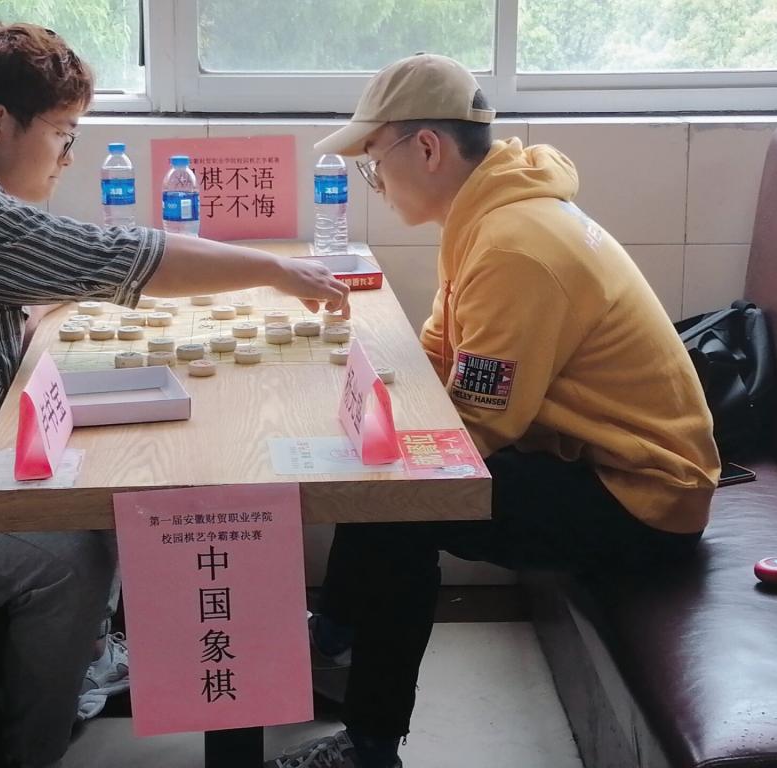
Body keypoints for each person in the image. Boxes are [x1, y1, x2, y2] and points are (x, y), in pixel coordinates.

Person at [0, 22, 349, 768]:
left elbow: (55, 266)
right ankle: (32, 750)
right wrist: (277, 271)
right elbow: (116, 254)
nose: (69, 155)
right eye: (61, 133)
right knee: (70, 561)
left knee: (110, 490)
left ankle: (87, 661)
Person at [267, 54, 720, 768]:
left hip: (641, 497)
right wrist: (356, 408)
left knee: (400, 503)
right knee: (379, 470)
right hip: (592, 463)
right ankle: (334, 636)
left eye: (374, 163)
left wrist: (366, 442)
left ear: (427, 148)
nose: (374, 182)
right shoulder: (491, 216)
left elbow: (481, 426)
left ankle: (368, 744)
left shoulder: (516, 246)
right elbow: (442, 353)